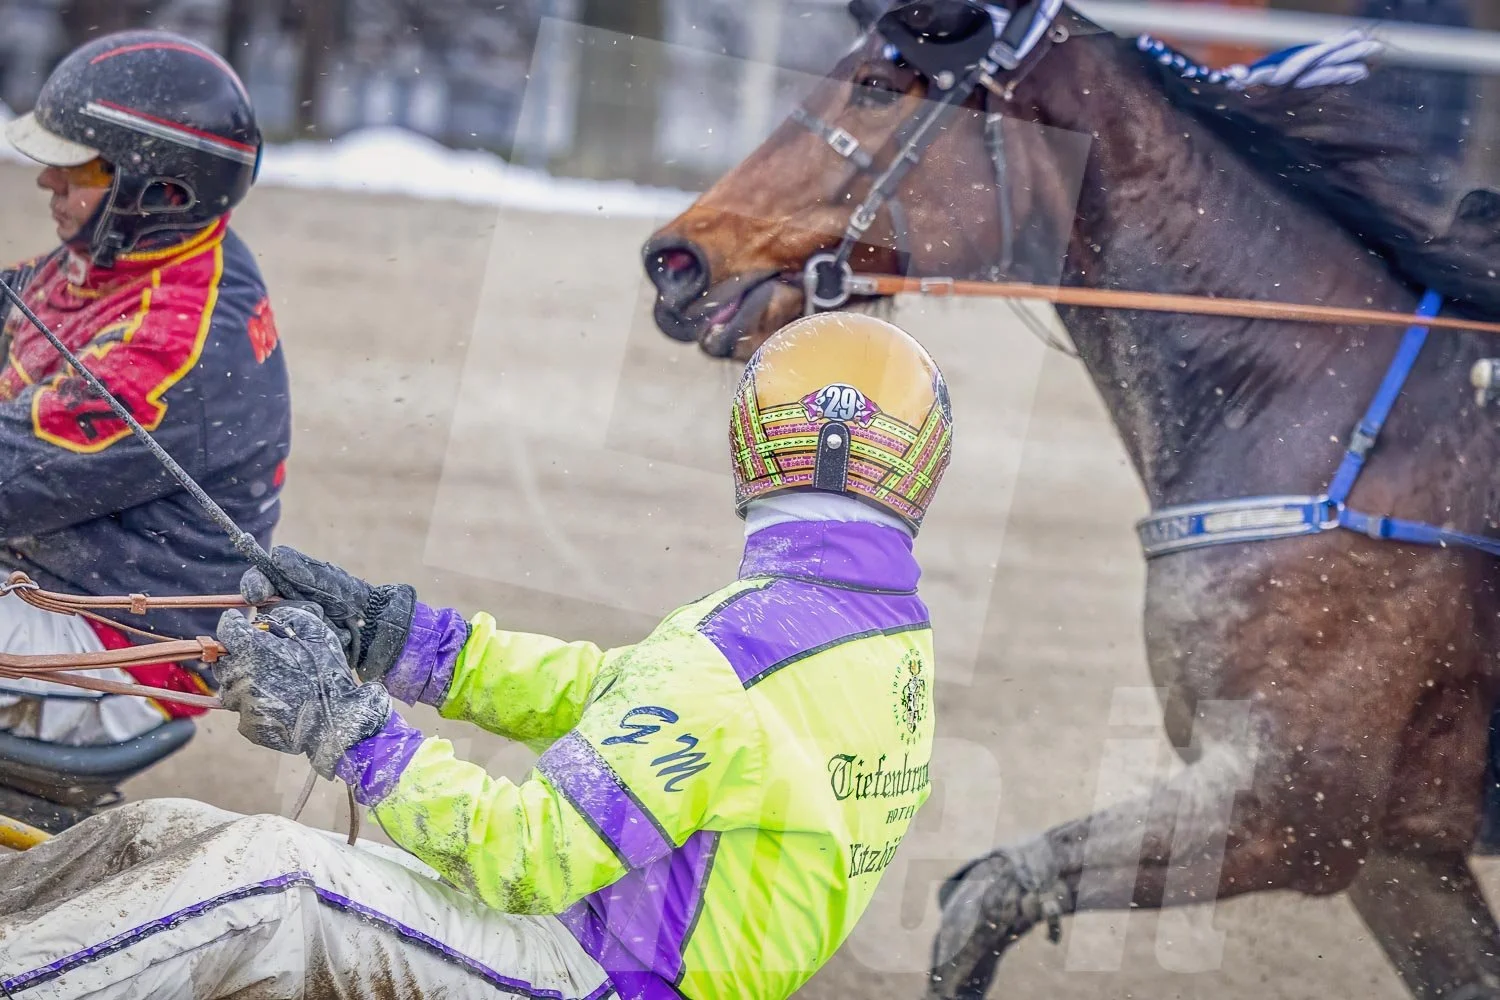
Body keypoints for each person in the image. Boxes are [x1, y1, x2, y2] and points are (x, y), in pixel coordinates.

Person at [0, 312, 954, 1000]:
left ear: (751, 442)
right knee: (165, 831)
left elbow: (525, 859)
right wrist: (397, 636)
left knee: (269, 877)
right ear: (920, 465)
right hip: (612, 958)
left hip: (594, 973)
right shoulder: (869, 632)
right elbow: (619, 696)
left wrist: (350, 731)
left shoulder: (740, 649)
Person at [0, 29, 290, 748]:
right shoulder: (146, 252)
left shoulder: (169, 345)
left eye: (78, 167)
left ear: (158, 188)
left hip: (115, 651)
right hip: (55, 585)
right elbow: (21, 310)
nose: (48, 181)